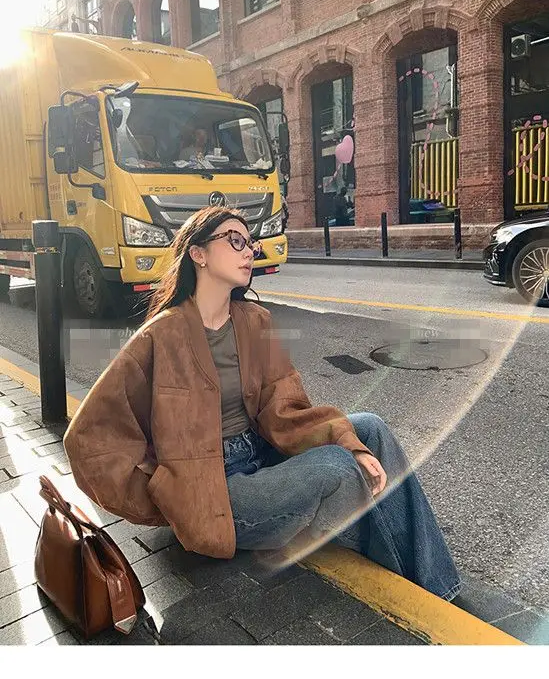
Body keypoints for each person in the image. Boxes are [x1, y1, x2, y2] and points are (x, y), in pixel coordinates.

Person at [63, 206, 461, 601]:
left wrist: (347, 440)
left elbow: (285, 408)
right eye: (235, 240)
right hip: (219, 488)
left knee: (369, 429)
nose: (250, 251)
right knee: (337, 467)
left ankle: (440, 588)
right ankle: (411, 584)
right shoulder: (160, 336)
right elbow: (87, 437)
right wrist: (166, 497)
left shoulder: (254, 321)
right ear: (198, 254)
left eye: (250, 243)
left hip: (262, 451)